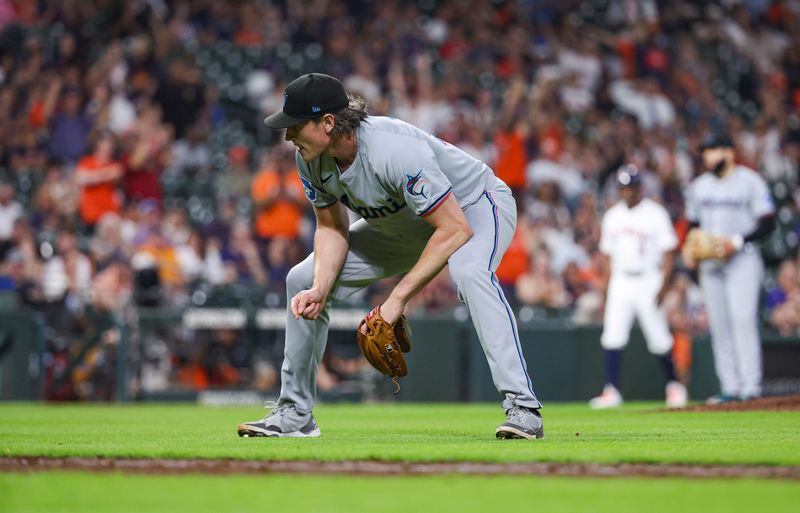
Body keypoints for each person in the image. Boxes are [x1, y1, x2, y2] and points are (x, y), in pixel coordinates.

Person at [238, 73, 543, 439]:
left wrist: (397, 299)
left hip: (474, 205)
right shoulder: (311, 158)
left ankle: (522, 407)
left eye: (296, 126)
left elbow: (454, 229)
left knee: (469, 271)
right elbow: (333, 228)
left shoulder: (392, 149)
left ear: (328, 123)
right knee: (302, 280)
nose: (288, 136)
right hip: (405, 224)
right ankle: (295, 413)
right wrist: (321, 287)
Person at [683, 133, 775, 403]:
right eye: (705, 151)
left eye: (712, 150)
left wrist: (737, 241)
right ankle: (730, 386)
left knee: (743, 320)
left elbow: (768, 223)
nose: (707, 156)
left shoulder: (750, 181)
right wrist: (690, 248)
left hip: (743, 258)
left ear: (729, 152)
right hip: (711, 262)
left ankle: (750, 386)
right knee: (720, 325)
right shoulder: (699, 186)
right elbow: (692, 226)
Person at [588, 165, 687, 409]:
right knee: (612, 335)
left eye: (631, 187)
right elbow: (608, 258)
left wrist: (663, 286)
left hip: (648, 278)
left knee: (659, 337)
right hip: (621, 279)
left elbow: (668, 254)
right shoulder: (613, 215)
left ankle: (675, 385)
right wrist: (605, 289)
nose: (627, 192)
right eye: (623, 187)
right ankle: (611, 390)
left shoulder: (655, 213)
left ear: (639, 187)